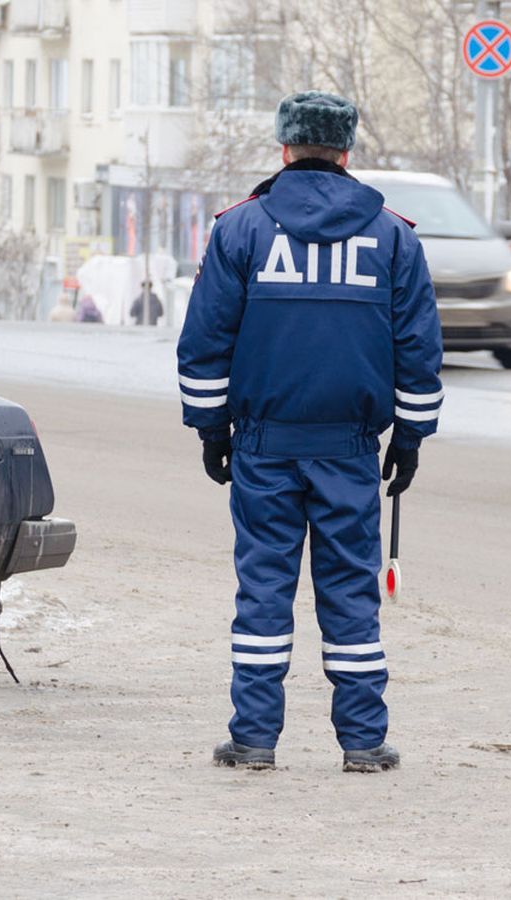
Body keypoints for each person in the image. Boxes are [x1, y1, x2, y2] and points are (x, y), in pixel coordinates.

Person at [177, 90, 443, 774]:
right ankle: (361, 742)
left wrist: (212, 430)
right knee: (351, 593)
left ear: (285, 149)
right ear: (347, 151)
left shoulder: (239, 232)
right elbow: (418, 350)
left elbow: (204, 342)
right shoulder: (392, 237)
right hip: (350, 451)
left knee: (263, 589)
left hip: (264, 445)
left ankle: (254, 739)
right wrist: (409, 440)